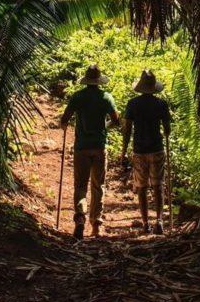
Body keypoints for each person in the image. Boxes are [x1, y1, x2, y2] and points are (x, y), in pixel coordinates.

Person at [60, 64, 119, 240]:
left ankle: (80, 218)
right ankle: (97, 225)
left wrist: (66, 127)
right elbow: (116, 121)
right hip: (99, 146)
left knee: (80, 185)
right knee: (98, 185)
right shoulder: (106, 98)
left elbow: (64, 120)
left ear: (86, 80)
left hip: (81, 147)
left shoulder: (77, 97)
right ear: (99, 80)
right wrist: (104, 127)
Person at [121, 69, 171, 235]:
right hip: (157, 149)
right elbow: (167, 128)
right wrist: (165, 131)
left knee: (141, 187)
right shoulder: (161, 104)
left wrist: (123, 151)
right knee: (158, 185)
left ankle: (145, 223)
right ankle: (159, 220)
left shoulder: (133, 104)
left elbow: (127, 129)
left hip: (139, 150)